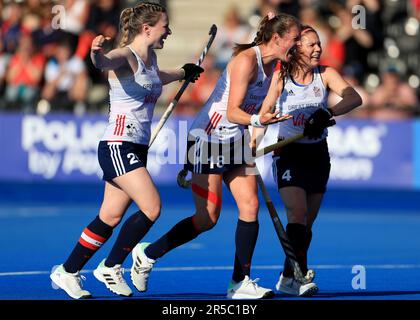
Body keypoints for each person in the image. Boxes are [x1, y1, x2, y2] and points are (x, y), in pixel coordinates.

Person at [131, 12, 301, 300]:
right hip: (208, 140)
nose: (296, 45)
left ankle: (239, 282)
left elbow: (266, 104)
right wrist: (260, 121)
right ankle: (147, 253)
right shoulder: (247, 61)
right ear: (277, 38)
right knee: (207, 218)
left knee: (250, 206)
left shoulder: (277, 67)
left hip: (237, 142)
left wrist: (259, 128)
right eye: (295, 40)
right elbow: (234, 111)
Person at [50, 2, 203, 299]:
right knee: (152, 207)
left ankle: (67, 271)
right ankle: (112, 265)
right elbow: (103, 63)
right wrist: (95, 52)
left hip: (136, 146)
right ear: (146, 29)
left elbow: (156, 78)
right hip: (117, 145)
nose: (168, 31)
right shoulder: (125, 56)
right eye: (164, 26)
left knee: (109, 217)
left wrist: (184, 72)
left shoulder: (151, 57)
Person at [253, 25, 362, 296]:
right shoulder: (281, 77)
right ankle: (299, 276)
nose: (317, 49)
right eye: (311, 44)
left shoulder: (325, 74)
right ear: (296, 48)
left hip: (317, 153)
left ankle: (288, 276)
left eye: (318, 44)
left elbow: (354, 97)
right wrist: (252, 143)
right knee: (297, 215)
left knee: (306, 225)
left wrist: (327, 112)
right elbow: (265, 113)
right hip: (289, 153)